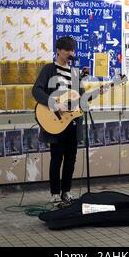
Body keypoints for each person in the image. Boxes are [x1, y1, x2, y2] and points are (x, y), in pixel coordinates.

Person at [32, 36, 104, 205]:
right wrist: (55, 105)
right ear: (58, 50)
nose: (70, 53)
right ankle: (55, 194)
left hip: (72, 122)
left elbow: (81, 98)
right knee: (56, 158)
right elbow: (36, 90)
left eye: (72, 50)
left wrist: (98, 92)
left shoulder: (74, 73)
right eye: (66, 50)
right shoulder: (49, 69)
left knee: (71, 159)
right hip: (55, 121)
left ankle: (66, 192)